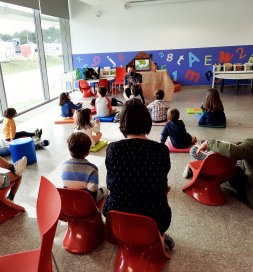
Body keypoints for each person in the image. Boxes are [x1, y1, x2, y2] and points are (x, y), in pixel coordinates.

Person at [103, 98, 174, 251]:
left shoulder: (112, 149)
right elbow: (161, 183)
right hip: (155, 218)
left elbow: (111, 183)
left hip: (117, 217)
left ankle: (130, 235)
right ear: (147, 122)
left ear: (123, 123)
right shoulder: (161, 150)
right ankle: (156, 235)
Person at [61, 132, 107, 203]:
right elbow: (92, 193)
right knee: (105, 189)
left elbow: (65, 186)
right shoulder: (92, 169)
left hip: (69, 200)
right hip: (86, 203)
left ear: (69, 150)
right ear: (88, 152)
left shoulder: (64, 165)